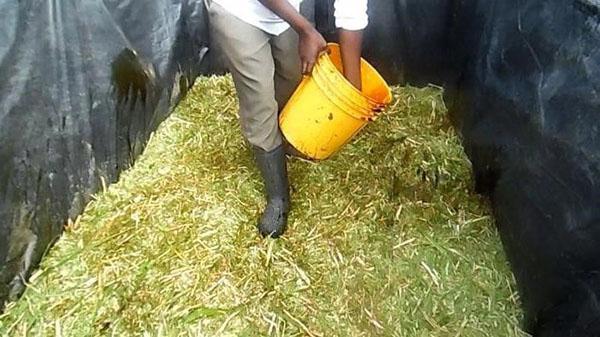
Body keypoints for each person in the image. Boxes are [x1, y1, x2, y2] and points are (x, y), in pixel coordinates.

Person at [206, 0, 368, 238]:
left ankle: (285, 137)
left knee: (297, 77)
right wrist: (305, 30)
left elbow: (351, 11)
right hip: (238, 10)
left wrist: (353, 93)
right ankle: (277, 196)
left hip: (287, 13)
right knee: (259, 98)